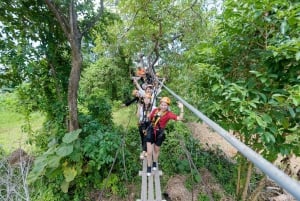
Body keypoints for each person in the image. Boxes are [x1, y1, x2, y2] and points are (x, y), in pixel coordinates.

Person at [146, 97, 184, 176]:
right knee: (149, 152)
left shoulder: (168, 114)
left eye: (165, 105)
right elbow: (149, 118)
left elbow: (179, 118)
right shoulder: (155, 110)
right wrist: (150, 115)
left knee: (156, 150)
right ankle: (149, 167)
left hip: (160, 133)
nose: (163, 107)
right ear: (160, 104)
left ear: (167, 106)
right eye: (162, 105)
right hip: (151, 131)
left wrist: (181, 108)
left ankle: (154, 162)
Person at [137, 92, 155, 160]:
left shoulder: (153, 108)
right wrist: (138, 108)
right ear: (143, 100)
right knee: (143, 138)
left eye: (148, 99)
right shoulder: (141, 107)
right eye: (145, 98)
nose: (146, 100)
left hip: (149, 124)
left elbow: (157, 116)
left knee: (146, 136)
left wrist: (150, 116)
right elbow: (138, 116)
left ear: (150, 100)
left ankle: (144, 152)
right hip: (142, 124)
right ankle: (145, 150)